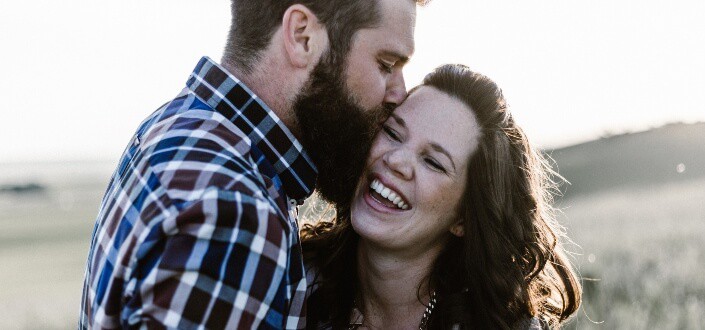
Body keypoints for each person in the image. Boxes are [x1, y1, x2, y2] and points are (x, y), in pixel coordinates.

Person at [79, 0, 427, 328]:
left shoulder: (178, 126)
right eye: (385, 65)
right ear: (302, 36)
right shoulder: (236, 211)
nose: (398, 93)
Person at [301, 64, 582, 329]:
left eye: (433, 162)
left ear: (464, 218)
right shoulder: (291, 280)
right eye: (392, 132)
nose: (396, 160)